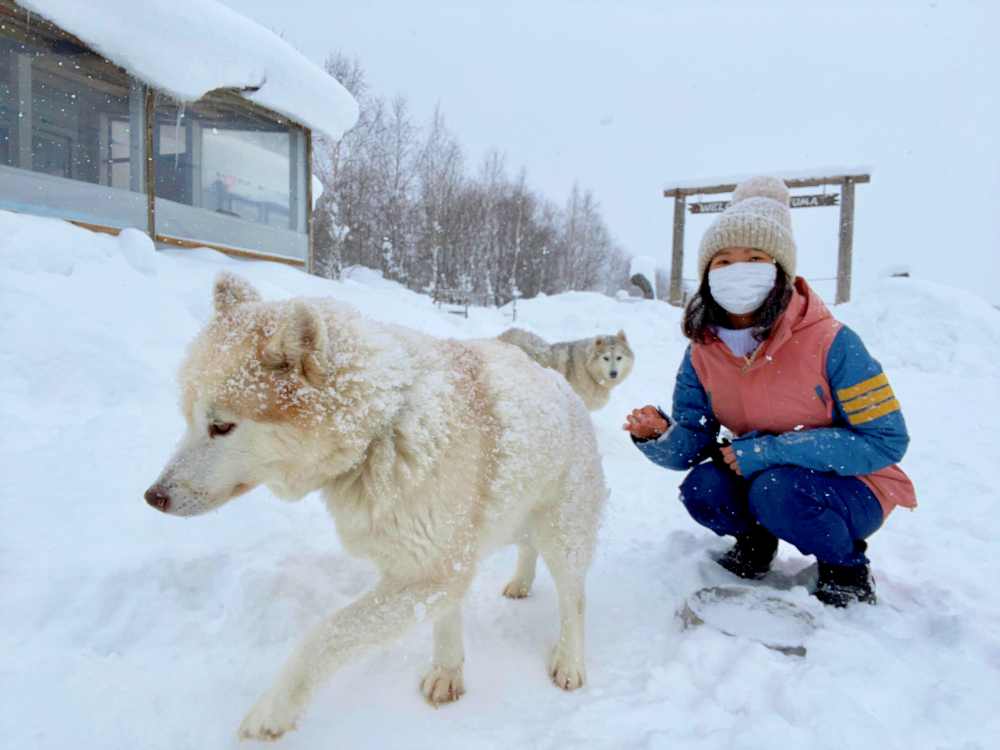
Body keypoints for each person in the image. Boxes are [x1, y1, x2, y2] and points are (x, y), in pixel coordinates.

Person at [624, 175, 916, 607]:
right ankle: (755, 542)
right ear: (707, 275)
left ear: (779, 270)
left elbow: (886, 440)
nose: (737, 269)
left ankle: (845, 567)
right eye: (723, 261)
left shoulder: (834, 342)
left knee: (776, 490)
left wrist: (767, 452)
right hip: (764, 474)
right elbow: (694, 438)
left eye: (754, 257)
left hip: (853, 488)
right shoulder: (703, 351)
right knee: (704, 487)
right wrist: (658, 436)